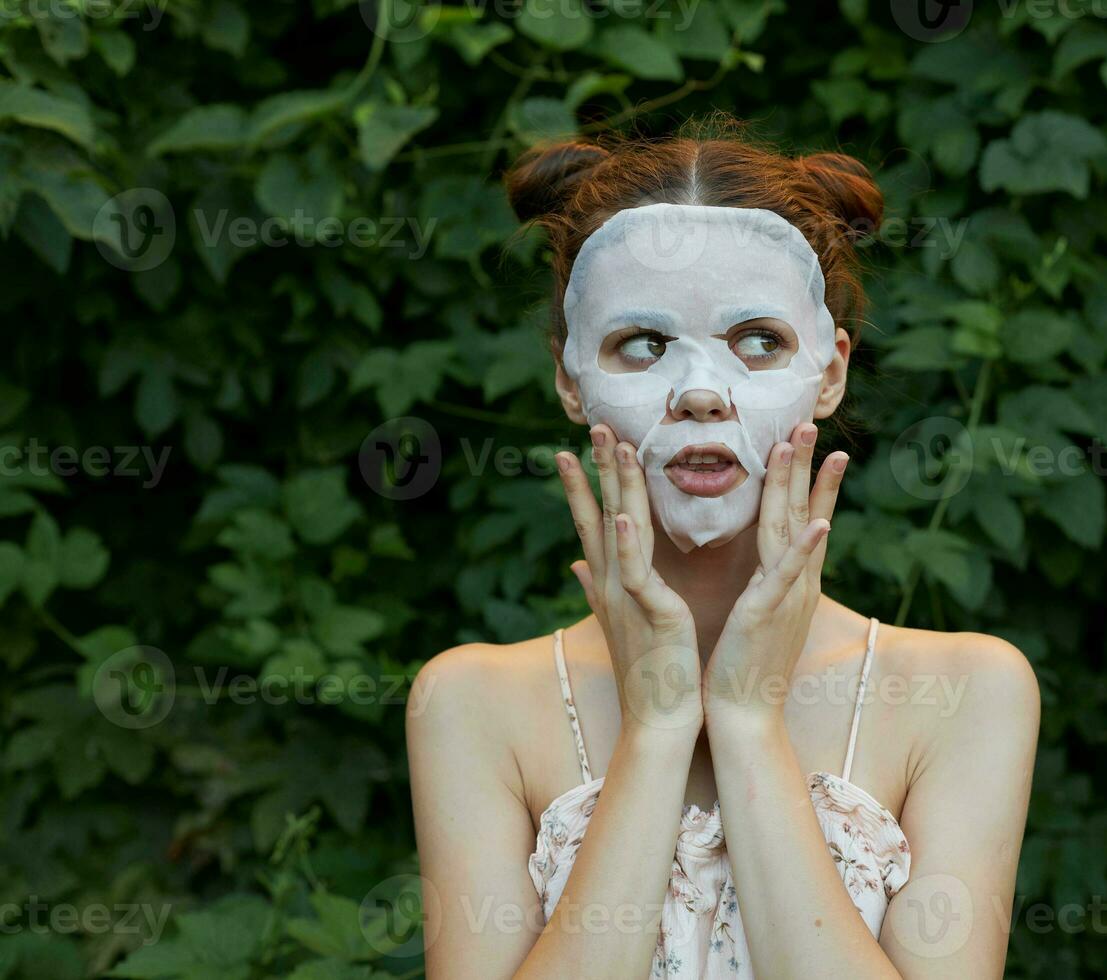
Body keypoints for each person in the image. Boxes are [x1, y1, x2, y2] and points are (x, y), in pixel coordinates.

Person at [407, 122, 1040, 979]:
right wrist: (660, 726)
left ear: (830, 371)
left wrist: (745, 722)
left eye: (757, 341)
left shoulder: (967, 694)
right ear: (568, 375)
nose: (702, 393)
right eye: (642, 343)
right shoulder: (472, 704)